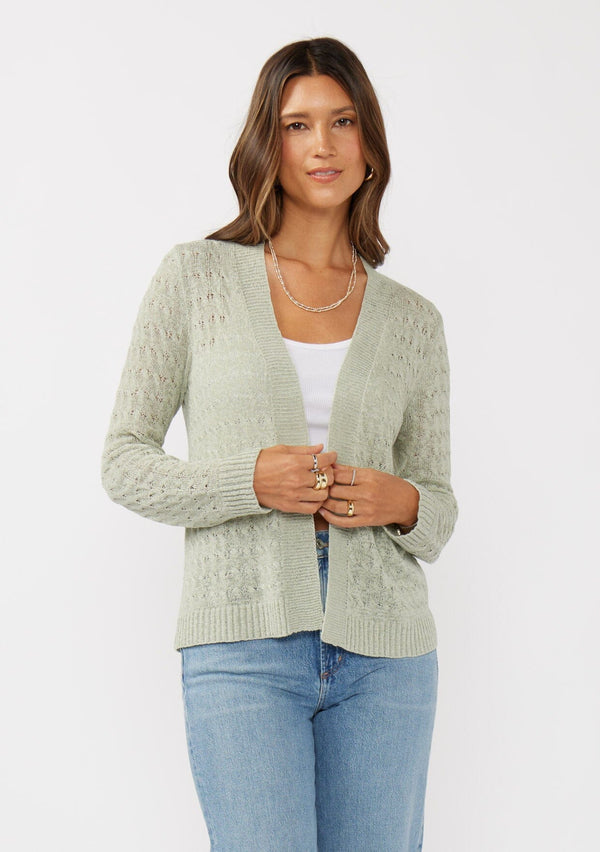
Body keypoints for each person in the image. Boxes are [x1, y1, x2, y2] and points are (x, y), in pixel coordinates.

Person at [102, 36, 458, 852]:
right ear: (270, 142)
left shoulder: (413, 321)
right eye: (298, 125)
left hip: (387, 653)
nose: (322, 145)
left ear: (370, 145)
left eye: (342, 121)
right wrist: (249, 482)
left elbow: (437, 508)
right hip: (242, 643)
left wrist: (402, 502)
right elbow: (124, 460)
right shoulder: (196, 278)